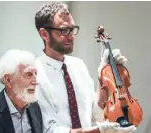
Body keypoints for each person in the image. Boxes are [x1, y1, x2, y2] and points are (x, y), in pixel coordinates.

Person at [34, 2, 136, 133]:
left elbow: (95, 112)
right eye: (64, 30)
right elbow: (50, 130)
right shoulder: (36, 74)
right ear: (44, 34)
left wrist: (105, 73)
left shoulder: (78, 65)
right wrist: (98, 131)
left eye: (73, 29)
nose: (72, 36)